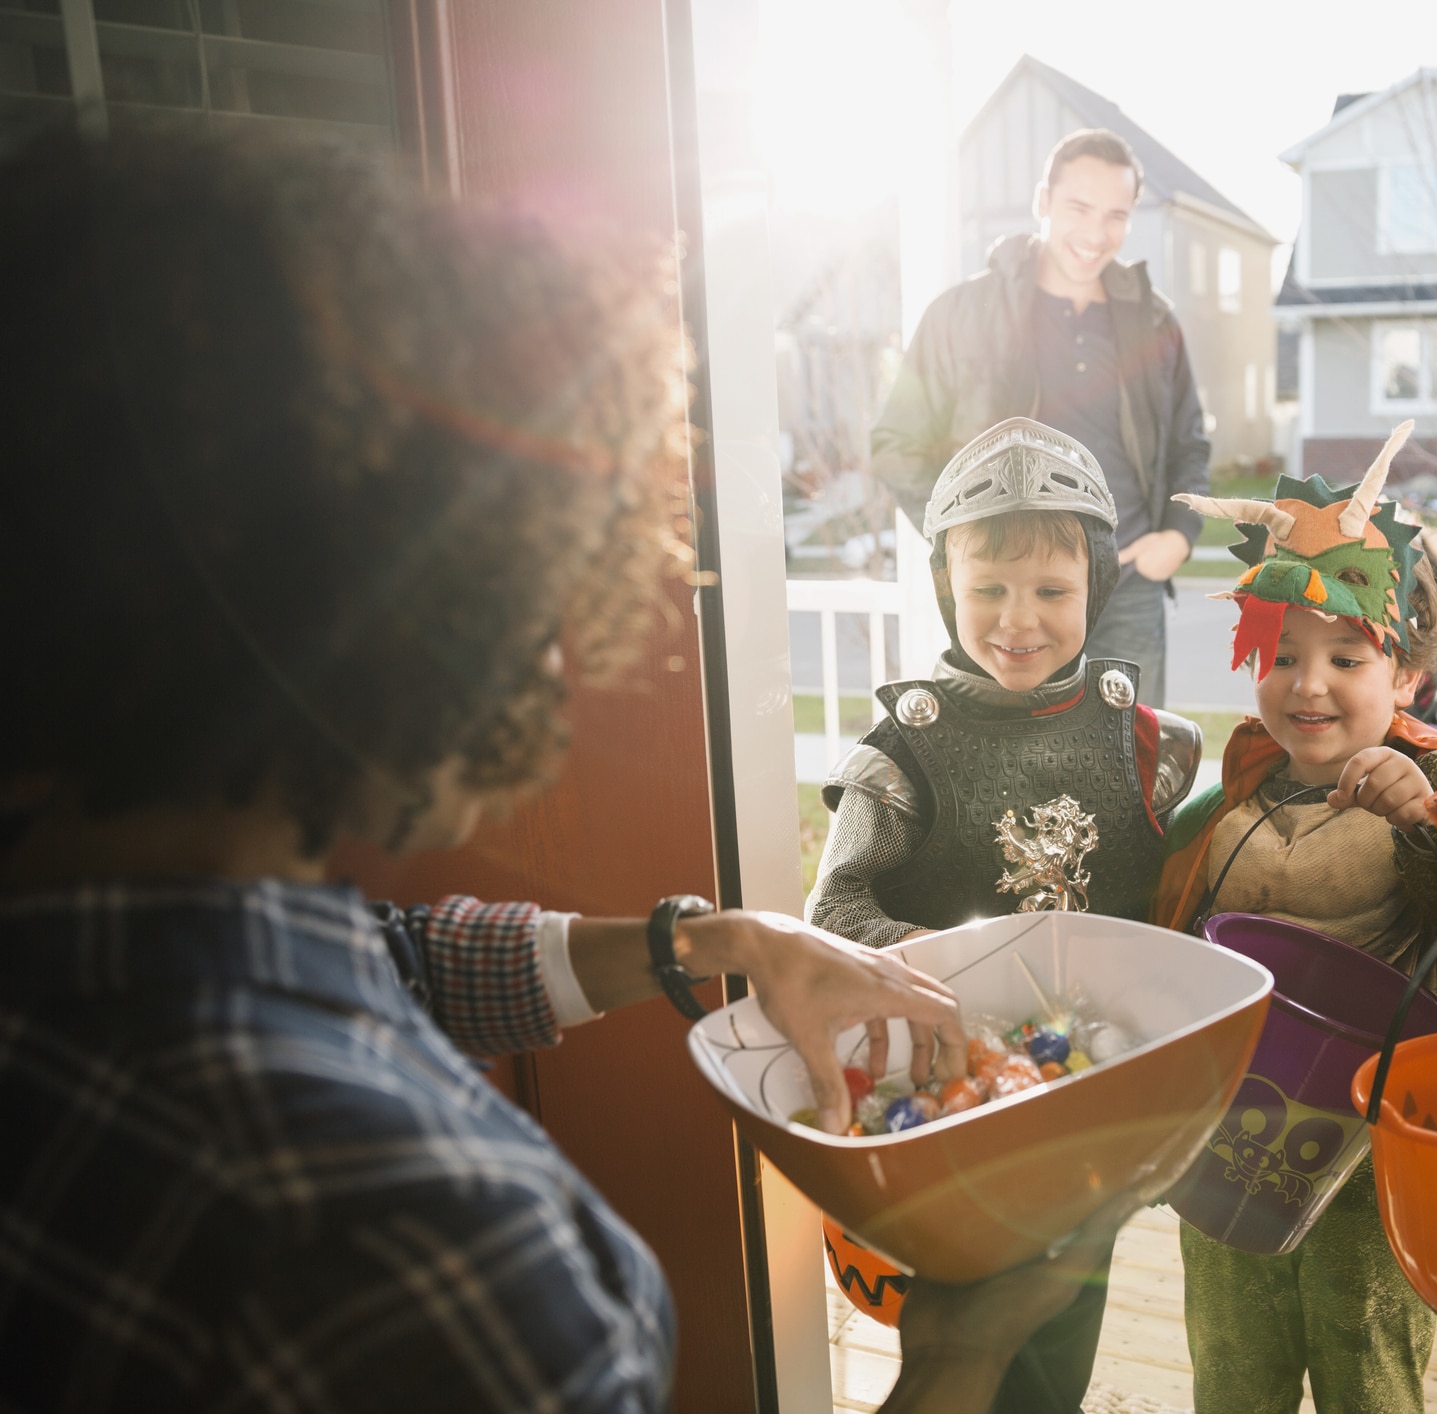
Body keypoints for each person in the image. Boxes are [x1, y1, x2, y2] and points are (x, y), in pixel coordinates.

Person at [0, 125, 1104, 1413]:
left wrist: (702, 941)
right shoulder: (420, 1253)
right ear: (381, 611)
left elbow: (395, 956)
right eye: (528, 589)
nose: (555, 642)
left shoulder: (86, 939)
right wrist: (960, 1352)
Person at [808, 416, 1201, 1413]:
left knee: (1063, 1334)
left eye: (1051, 591)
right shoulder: (905, 752)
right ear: (948, 584)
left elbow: (1186, 903)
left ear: (1097, 587)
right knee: (964, 1342)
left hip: (1096, 1109)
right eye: (987, 588)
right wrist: (974, 968)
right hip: (953, 1107)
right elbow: (834, 911)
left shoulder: (1149, 743)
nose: (1016, 618)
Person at [1150, 427, 1437, 1414]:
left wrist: (1425, 818)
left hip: (1373, 1147)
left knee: (1368, 1356)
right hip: (1228, 1135)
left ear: (1405, 672)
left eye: (1345, 655)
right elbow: (1153, 916)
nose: (1308, 684)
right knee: (1233, 1359)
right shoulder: (1230, 797)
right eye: (1280, 655)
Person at [872, 128, 1212, 708]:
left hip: (1127, 588)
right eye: (1079, 208)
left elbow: (1188, 444)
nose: (1096, 233)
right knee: (1006, 773)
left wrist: (1179, 536)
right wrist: (965, 538)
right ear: (1043, 203)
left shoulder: (1156, 323)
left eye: (1116, 215)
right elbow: (897, 443)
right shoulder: (961, 314)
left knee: (1130, 768)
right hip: (1011, 594)